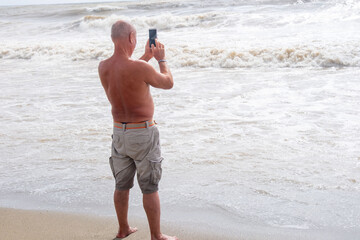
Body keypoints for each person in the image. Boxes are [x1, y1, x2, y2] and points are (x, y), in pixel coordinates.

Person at [98, 20, 178, 240]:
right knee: (149, 187)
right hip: (142, 133)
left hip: (119, 134)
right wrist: (161, 60)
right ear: (132, 38)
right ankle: (156, 235)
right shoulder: (139, 68)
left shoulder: (103, 66)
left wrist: (146, 57)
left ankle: (123, 229)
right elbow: (168, 82)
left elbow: (127, 72)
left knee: (121, 184)